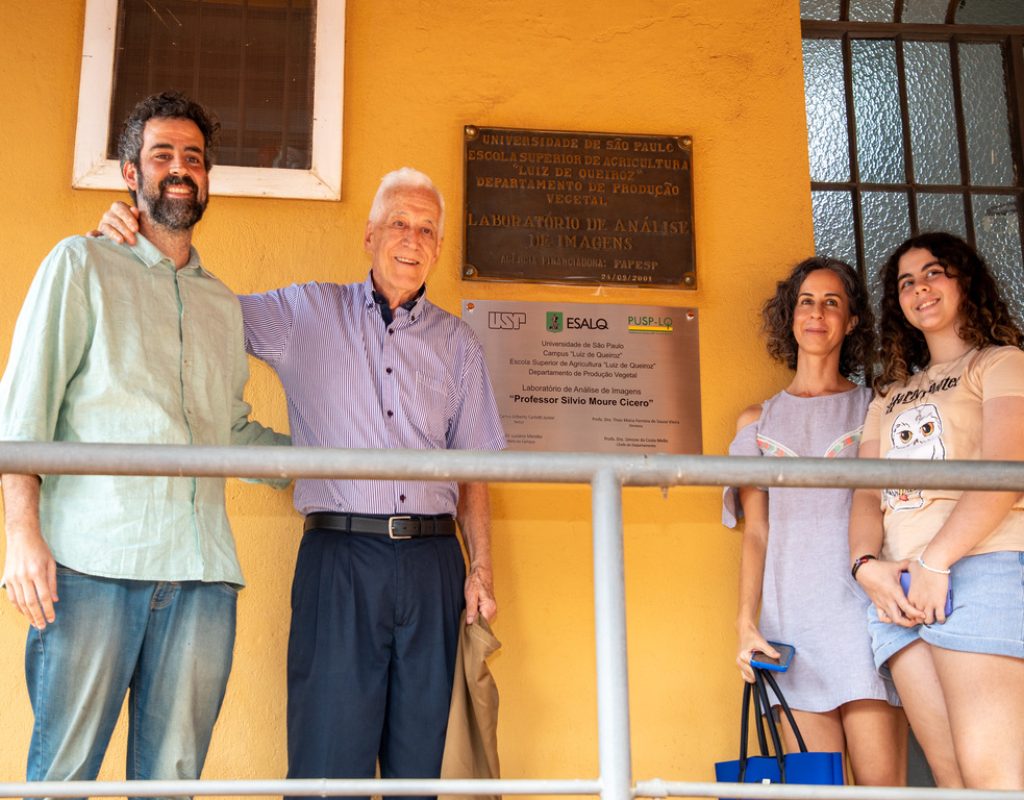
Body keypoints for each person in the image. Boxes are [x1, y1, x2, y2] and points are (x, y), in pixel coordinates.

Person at [97, 167, 506, 798]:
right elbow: (201, 315)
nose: (412, 238)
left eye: (427, 229)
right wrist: (133, 247)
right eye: (399, 222)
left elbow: (477, 470)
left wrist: (480, 570)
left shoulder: (458, 343)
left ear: (438, 247)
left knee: (424, 765)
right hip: (340, 560)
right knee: (325, 763)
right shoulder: (306, 312)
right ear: (370, 234)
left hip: (433, 567)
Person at [0, 92, 287, 793]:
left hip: (201, 576)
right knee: (64, 777)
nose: (180, 169)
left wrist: (334, 468)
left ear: (208, 179)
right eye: (162, 155)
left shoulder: (223, 304)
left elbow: (227, 433)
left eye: (194, 157)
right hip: (92, 566)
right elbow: (21, 412)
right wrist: (20, 533)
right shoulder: (81, 265)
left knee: (173, 782)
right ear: (130, 175)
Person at [848, 232, 1024, 789]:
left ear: (965, 282)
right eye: (906, 282)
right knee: (951, 779)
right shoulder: (889, 395)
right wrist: (864, 565)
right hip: (900, 591)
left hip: (979, 567)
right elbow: (864, 492)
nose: (919, 288)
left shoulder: (1001, 363)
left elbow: (1008, 470)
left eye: (933, 273)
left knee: (991, 774)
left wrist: (937, 561)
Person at [723, 257, 906, 785]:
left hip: (865, 622)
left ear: (851, 322)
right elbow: (756, 532)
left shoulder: (877, 407)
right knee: (813, 793)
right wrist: (744, 621)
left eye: (832, 302)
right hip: (792, 630)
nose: (817, 313)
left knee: (882, 793)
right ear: (791, 317)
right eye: (806, 301)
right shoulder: (758, 421)